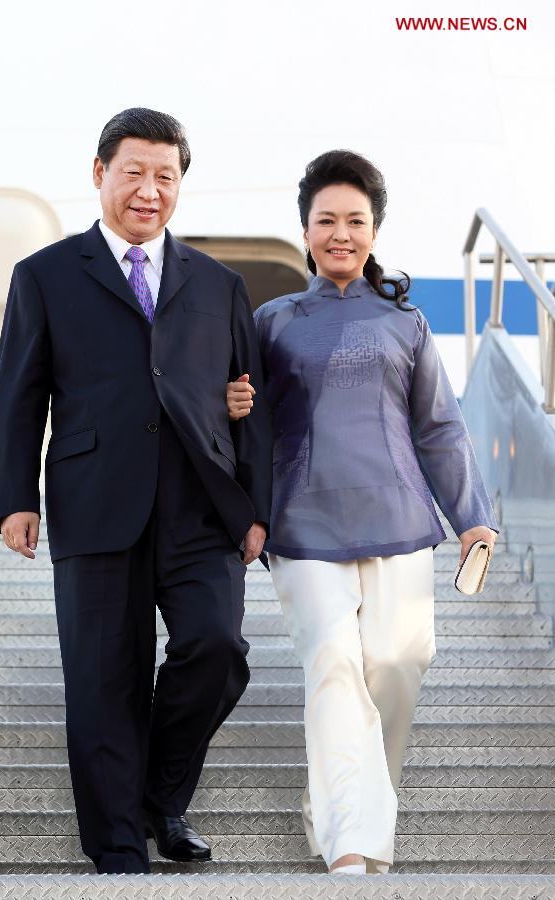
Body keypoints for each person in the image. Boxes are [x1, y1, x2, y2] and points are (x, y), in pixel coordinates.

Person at [0, 107, 272, 875]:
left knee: (215, 647)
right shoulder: (45, 274)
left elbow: (250, 398)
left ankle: (158, 799)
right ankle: (118, 852)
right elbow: (19, 393)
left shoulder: (217, 284)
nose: (149, 191)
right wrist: (15, 497)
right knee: (102, 678)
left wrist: (255, 509)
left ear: (180, 183)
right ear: (99, 174)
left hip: (201, 507)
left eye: (165, 177)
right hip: (93, 500)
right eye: (134, 173)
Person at [226, 149, 498, 876]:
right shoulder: (271, 320)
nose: (339, 233)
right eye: (325, 221)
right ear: (305, 231)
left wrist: (472, 515)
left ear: (374, 229)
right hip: (303, 522)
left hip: (401, 516)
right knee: (335, 664)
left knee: (398, 659)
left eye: (354, 220)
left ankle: (341, 805)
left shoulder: (404, 321)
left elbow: (439, 426)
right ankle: (353, 850)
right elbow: (243, 425)